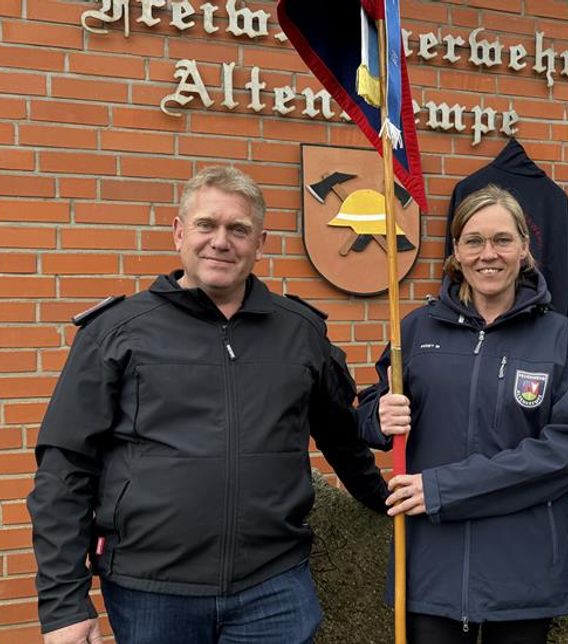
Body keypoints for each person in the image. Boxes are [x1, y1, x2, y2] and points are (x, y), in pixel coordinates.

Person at [26, 166, 387, 644]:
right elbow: (64, 468)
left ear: (260, 243)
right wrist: (63, 604)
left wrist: (382, 503)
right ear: (179, 232)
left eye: (239, 229)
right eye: (206, 225)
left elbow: (342, 439)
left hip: (274, 589)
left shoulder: (300, 333)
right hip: (152, 593)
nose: (221, 241)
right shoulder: (115, 333)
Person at [358, 184, 568, 644]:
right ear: (457, 252)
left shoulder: (559, 337)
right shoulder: (416, 330)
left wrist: (443, 488)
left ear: (524, 248)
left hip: (523, 571)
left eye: (503, 240)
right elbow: (369, 413)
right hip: (432, 567)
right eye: (474, 240)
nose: (489, 254)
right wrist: (378, 416)